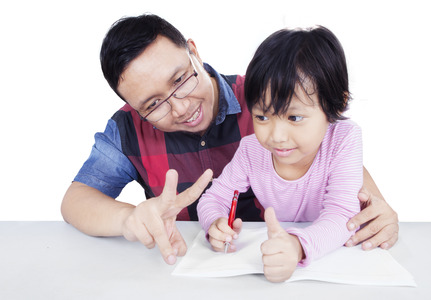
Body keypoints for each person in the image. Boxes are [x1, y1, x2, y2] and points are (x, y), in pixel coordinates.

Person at [60, 14, 399, 266]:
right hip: (191, 269)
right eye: (153, 104)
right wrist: (128, 219)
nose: (180, 108)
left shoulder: (267, 95)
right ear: (134, 108)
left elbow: (330, 148)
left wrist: (376, 205)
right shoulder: (127, 129)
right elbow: (76, 199)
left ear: (193, 51)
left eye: (180, 79)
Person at [198, 26, 368, 282]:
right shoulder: (251, 150)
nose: (276, 135)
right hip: (277, 258)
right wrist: (215, 223)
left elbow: (343, 215)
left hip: (338, 264)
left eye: (294, 117)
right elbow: (213, 199)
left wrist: (297, 246)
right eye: (262, 116)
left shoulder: (344, 139)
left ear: (337, 103)